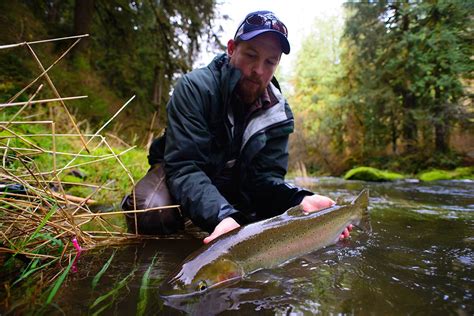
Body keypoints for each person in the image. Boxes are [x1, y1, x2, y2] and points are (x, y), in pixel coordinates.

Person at [122, 10, 352, 243]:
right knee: (151, 211)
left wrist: (299, 200)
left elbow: (265, 179)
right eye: (251, 55)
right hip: (181, 171)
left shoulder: (279, 114)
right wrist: (222, 216)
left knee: (273, 219)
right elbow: (185, 166)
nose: (258, 70)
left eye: (270, 62)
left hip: (234, 186)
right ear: (231, 49)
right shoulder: (196, 88)